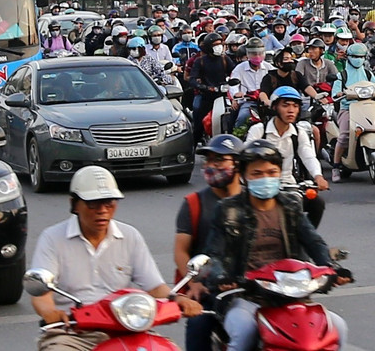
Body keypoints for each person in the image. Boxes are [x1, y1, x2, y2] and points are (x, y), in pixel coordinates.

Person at [31, 166, 201, 350]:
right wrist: (50, 312)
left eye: (109, 203)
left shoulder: (130, 236)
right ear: (74, 204)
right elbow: (41, 293)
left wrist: (177, 299)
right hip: (72, 332)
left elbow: (154, 286)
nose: (102, 210)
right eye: (93, 203)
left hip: (126, 327)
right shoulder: (53, 238)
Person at [203, 140, 349, 351]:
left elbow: (314, 241)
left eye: (272, 172)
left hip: (291, 295)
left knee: (338, 327)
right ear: (244, 176)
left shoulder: (290, 205)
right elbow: (214, 253)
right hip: (246, 296)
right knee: (244, 331)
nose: (266, 178)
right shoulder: (227, 210)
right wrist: (222, 277)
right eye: (257, 173)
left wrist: (333, 269)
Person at [173, 134, 244, 351]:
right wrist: (193, 282)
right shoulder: (193, 203)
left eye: (219, 160)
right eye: (209, 160)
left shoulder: (256, 200)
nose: (212, 166)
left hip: (253, 286)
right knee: (198, 324)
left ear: (238, 164)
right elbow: (181, 250)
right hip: (208, 288)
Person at [245, 86, 328, 227]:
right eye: (285, 105)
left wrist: (318, 176)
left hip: (289, 185)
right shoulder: (259, 131)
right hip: (261, 186)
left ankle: (306, 242)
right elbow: (246, 157)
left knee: (317, 204)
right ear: (275, 107)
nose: (291, 110)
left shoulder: (299, 132)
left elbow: (308, 156)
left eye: (295, 106)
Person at [330, 42, 372, 182]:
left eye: (361, 56)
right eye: (355, 56)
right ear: (348, 57)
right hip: (348, 108)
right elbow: (334, 93)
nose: (358, 59)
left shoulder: (368, 74)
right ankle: (336, 167)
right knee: (344, 136)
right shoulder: (342, 75)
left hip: (367, 107)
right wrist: (339, 94)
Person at [188, 33, 233, 143]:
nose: (219, 46)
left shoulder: (225, 59)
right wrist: (204, 87)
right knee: (197, 112)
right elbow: (192, 79)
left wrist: (231, 82)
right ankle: (195, 142)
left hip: (222, 95)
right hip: (205, 95)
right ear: (209, 47)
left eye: (220, 44)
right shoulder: (200, 61)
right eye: (215, 44)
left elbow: (235, 72)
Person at [229, 38, 271, 130]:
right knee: (242, 118)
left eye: (260, 53)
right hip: (248, 102)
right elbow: (233, 85)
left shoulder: (269, 68)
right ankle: (237, 139)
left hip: (267, 102)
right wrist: (236, 94)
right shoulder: (239, 68)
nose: (257, 56)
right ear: (248, 54)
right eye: (254, 54)